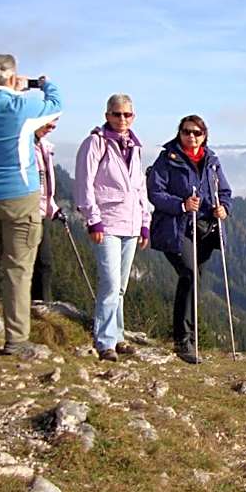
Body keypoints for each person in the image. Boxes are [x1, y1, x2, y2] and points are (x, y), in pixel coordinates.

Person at [0, 54, 61, 354]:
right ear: (9, 79)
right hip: (19, 194)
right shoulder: (22, 107)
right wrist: (41, 83)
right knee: (17, 269)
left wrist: (13, 87)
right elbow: (56, 103)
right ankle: (16, 339)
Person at [148, 114, 232, 364]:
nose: (191, 136)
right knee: (189, 275)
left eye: (196, 132)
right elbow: (154, 192)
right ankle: (183, 340)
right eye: (186, 132)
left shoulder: (212, 161)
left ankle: (191, 340)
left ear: (204, 135)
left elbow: (225, 192)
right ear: (179, 133)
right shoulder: (167, 159)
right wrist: (181, 205)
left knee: (195, 279)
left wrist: (224, 208)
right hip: (177, 227)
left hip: (205, 228)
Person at [74, 94, 150, 362]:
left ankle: (117, 336)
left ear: (134, 116)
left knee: (121, 287)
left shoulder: (135, 147)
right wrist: (93, 219)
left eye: (127, 115)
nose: (122, 119)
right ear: (107, 115)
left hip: (130, 223)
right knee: (109, 283)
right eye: (117, 114)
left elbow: (139, 186)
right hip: (106, 223)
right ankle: (104, 341)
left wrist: (144, 222)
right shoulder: (95, 143)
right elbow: (84, 184)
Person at [31, 120, 65, 303]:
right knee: (35, 263)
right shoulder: (24, 144)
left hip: (42, 211)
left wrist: (53, 208)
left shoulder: (43, 146)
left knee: (44, 264)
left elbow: (45, 184)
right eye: (47, 125)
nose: (50, 129)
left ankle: (41, 305)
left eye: (54, 126)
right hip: (27, 210)